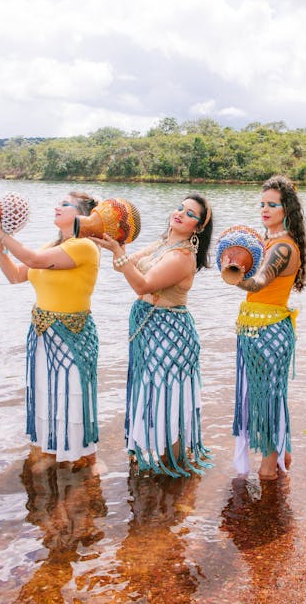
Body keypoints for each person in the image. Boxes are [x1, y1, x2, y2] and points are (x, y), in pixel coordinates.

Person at [95, 194, 213, 477]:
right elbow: (121, 263)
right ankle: (163, 463)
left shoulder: (183, 256)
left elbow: (143, 284)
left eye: (190, 214)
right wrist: (117, 242)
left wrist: (120, 255)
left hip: (170, 334)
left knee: (168, 397)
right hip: (150, 330)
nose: (181, 214)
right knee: (152, 392)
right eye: (180, 208)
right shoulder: (162, 244)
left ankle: (172, 467)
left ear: (197, 227)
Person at [0, 192, 101, 464]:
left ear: (82, 216)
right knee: (47, 397)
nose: (56, 207)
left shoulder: (83, 245)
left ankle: (82, 460)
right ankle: (52, 455)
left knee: (71, 398)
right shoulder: (52, 244)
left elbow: (34, 260)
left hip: (71, 335)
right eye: (58, 203)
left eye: (65, 204)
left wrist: (1, 232)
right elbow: (16, 275)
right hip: (43, 335)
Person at [229, 176, 306, 480]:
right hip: (256, 329)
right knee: (264, 394)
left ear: (286, 209)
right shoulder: (268, 242)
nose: (265, 209)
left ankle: (269, 465)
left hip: (269, 332)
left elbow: (260, 282)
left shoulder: (283, 249)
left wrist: (233, 273)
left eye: (272, 204)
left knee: (267, 396)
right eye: (262, 203)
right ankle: (282, 453)